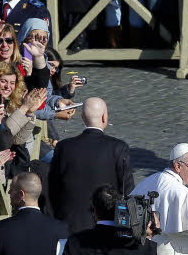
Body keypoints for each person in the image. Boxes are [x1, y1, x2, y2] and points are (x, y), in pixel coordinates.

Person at [48, 97, 133, 233]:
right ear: (104, 117)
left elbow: (53, 187)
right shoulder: (118, 148)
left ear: (82, 117)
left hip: (70, 225)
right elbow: (127, 190)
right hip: (107, 226)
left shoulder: (64, 147)